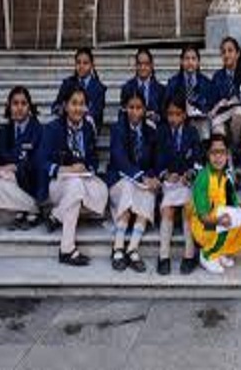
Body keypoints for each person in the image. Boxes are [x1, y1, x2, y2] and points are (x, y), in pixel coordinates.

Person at [38, 84, 108, 266]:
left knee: (102, 191)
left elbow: (93, 159)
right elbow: (41, 162)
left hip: (81, 179)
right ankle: (67, 249)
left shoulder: (88, 129)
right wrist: (67, 170)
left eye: (82, 104)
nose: (78, 108)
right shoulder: (52, 128)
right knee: (75, 186)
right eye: (74, 103)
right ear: (65, 105)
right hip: (59, 183)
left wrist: (86, 167)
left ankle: (57, 215)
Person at [188, 133, 241, 274]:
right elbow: (203, 218)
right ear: (208, 155)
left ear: (227, 156)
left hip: (222, 222)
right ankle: (207, 255)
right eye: (214, 153)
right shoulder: (203, 178)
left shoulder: (227, 177)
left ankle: (220, 252)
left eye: (222, 152)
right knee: (228, 220)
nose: (218, 157)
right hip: (204, 227)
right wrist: (220, 220)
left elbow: (234, 206)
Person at [106, 90, 160, 273]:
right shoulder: (117, 129)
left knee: (148, 191)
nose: (135, 112)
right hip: (119, 180)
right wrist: (141, 177)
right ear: (125, 108)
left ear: (144, 110)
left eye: (138, 108)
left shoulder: (150, 131)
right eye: (131, 107)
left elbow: (153, 162)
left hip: (141, 183)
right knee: (130, 186)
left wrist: (152, 179)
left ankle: (132, 248)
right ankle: (118, 246)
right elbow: (119, 159)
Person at [156, 93, 202, 275]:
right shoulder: (161, 133)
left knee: (187, 208)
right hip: (169, 183)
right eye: (170, 114)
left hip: (187, 182)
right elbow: (157, 160)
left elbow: (198, 159)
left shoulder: (192, 133)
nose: (173, 118)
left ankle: (189, 254)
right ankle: (163, 255)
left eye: (177, 114)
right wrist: (165, 174)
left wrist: (190, 173)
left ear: (184, 115)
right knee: (167, 209)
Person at [0, 86, 42, 229]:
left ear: (29, 107)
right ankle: (21, 209)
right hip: (6, 180)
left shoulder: (38, 129)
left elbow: (38, 163)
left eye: (23, 103)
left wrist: (15, 166)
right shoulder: (4, 131)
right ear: (9, 106)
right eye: (15, 103)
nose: (19, 108)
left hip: (27, 185)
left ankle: (32, 207)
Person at [210, 36, 241, 166]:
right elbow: (213, 100)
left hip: (240, 117)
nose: (226, 55)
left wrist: (236, 100)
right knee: (217, 128)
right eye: (223, 52)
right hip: (223, 114)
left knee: (238, 112)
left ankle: (235, 149)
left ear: (237, 54)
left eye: (230, 51)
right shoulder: (218, 76)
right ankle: (227, 163)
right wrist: (221, 103)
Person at [51, 47, 106, 132]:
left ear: (92, 65)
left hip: (88, 129)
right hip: (67, 127)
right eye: (78, 62)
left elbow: (97, 113)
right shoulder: (67, 84)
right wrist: (65, 109)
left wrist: (80, 113)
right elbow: (56, 105)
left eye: (85, 63)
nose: (81, 66)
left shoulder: (99, 88)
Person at [165, 45, 213, 141]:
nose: (190, 62)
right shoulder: (173, 82)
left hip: (199, 120)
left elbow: (210, 104)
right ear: (181, 62)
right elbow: (167, 104)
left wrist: (200, 109)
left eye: (193, 59)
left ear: (198, 62)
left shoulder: (206, 83)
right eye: (187, 59)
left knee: (203, 124)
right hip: (179, 118)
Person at [120, 47, 165, 128]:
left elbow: (165, 117)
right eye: (140, 64)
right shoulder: (127, 88)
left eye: (146, 64)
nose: (143, 67)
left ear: (151, 65)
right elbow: (123, 114)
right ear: (136, 65)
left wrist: (155, 117)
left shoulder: (161, 90)